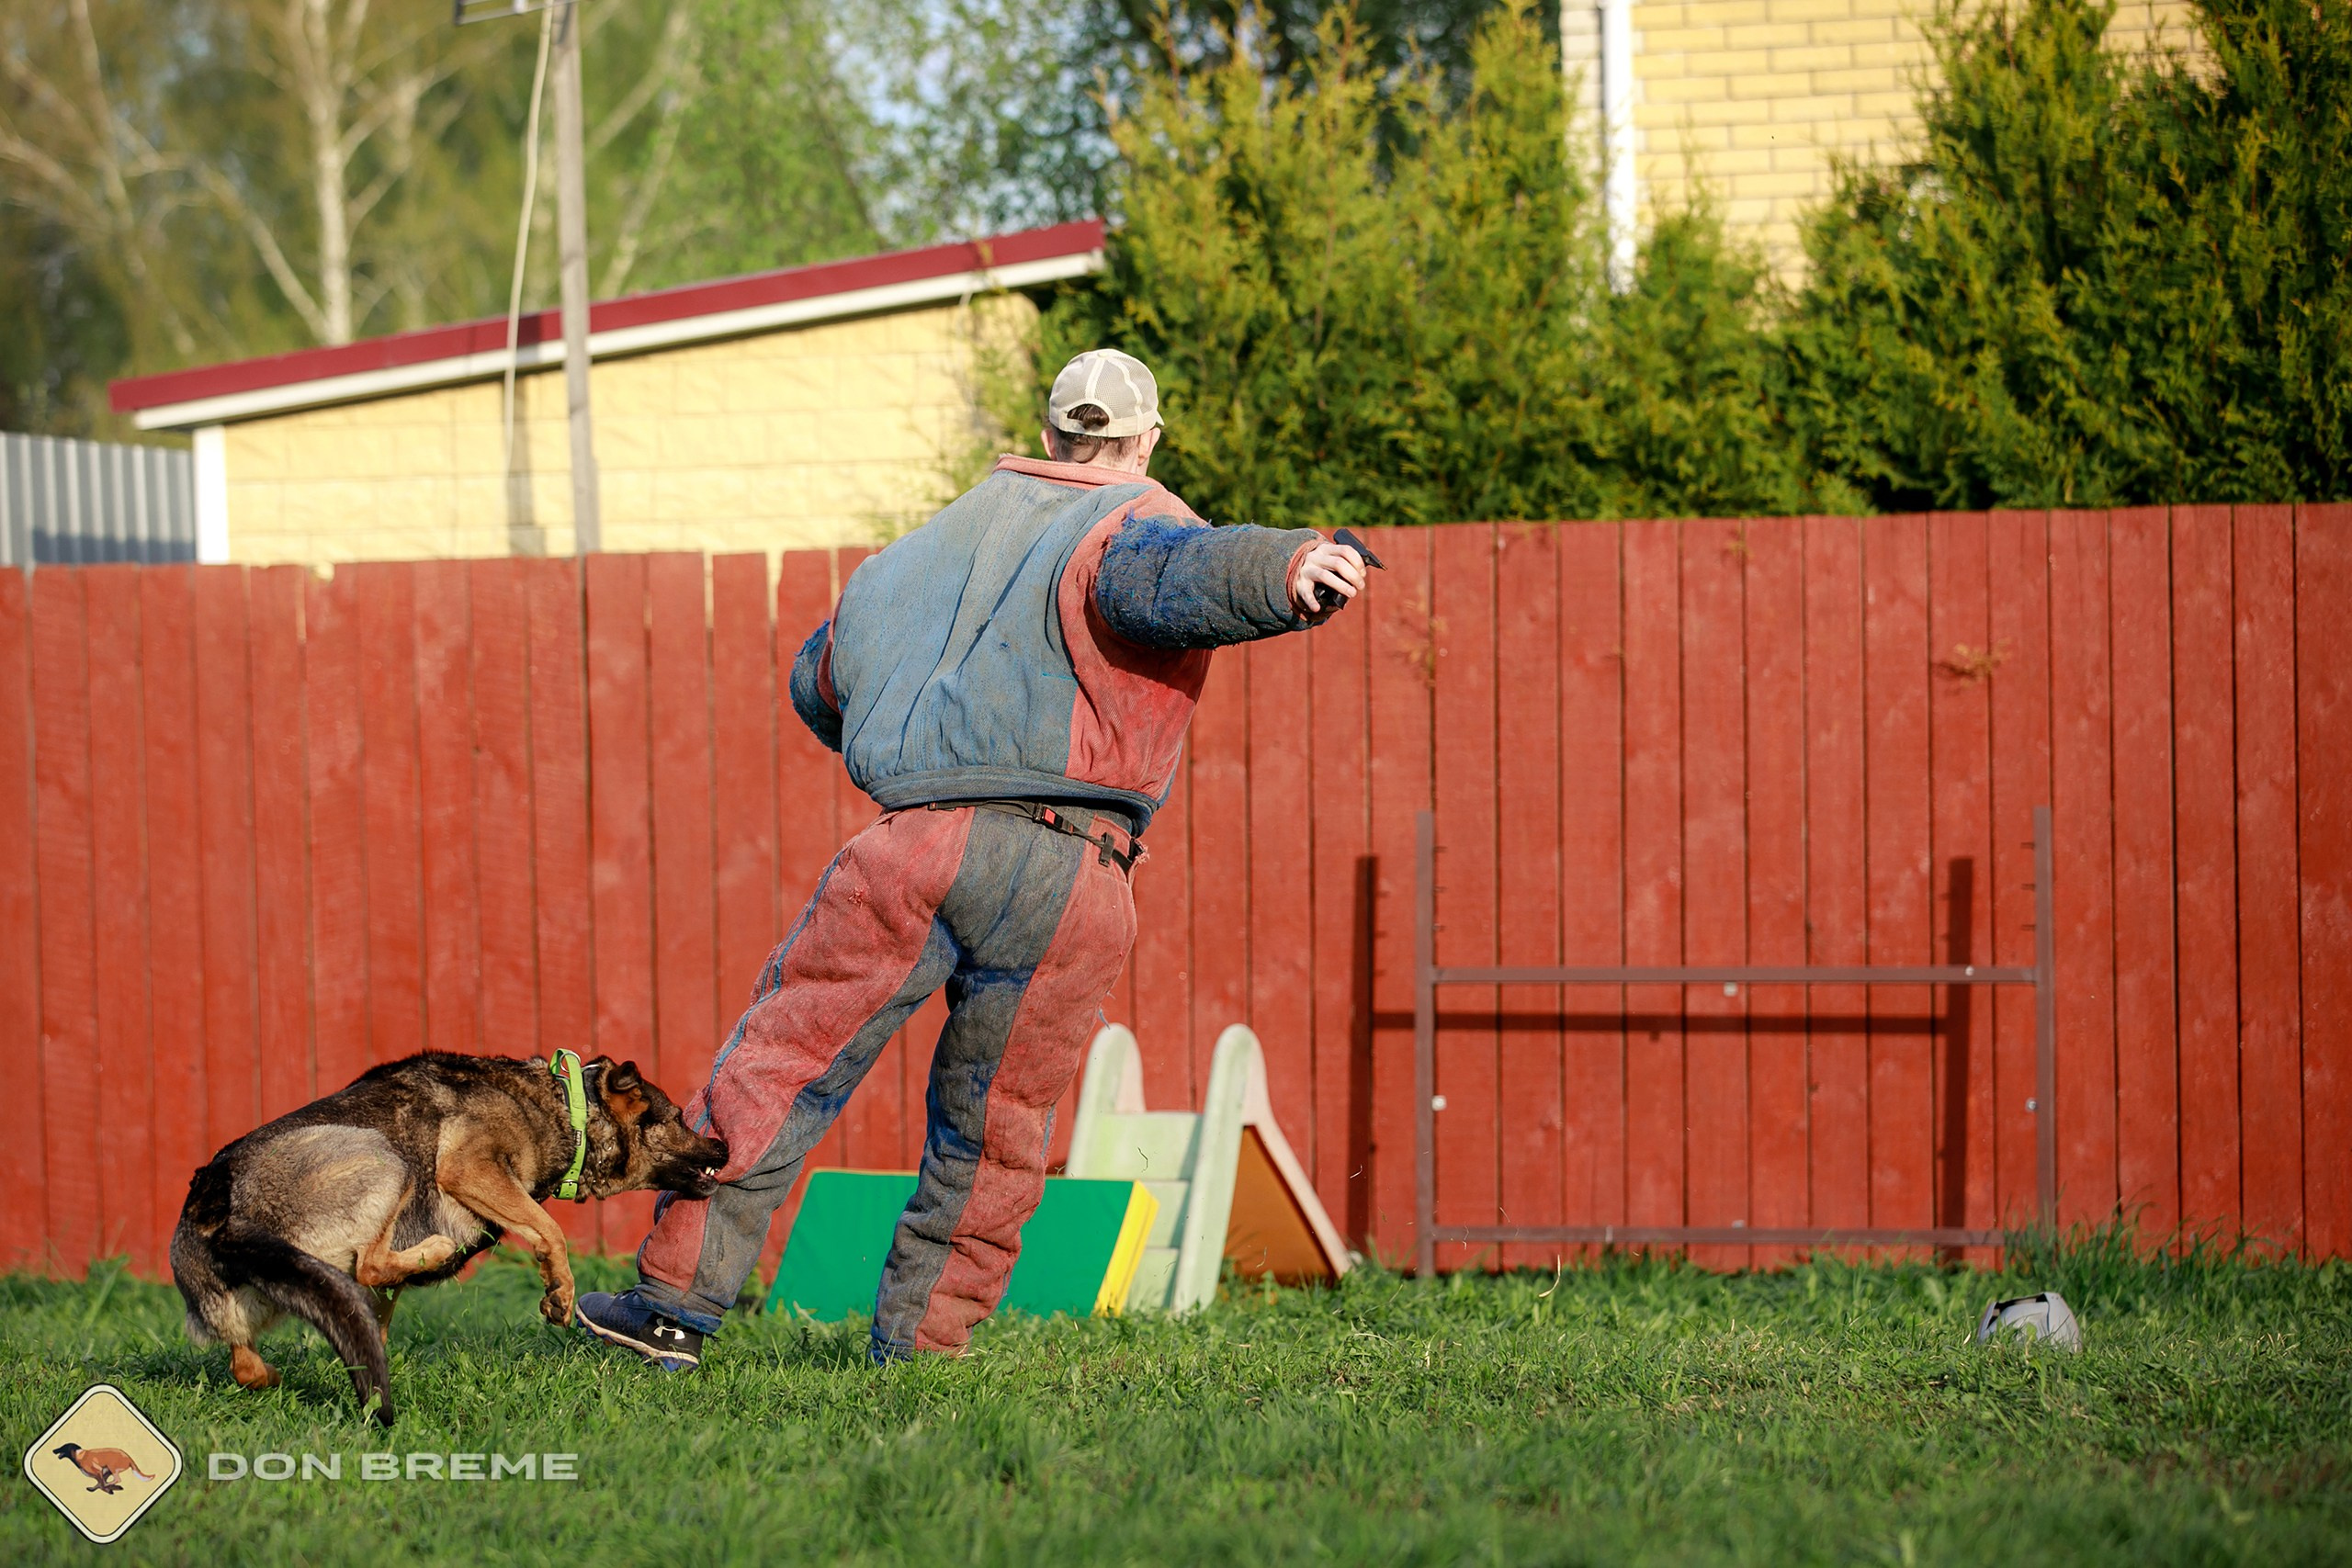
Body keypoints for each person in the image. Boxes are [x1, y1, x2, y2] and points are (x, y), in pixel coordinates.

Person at [574, 348, 1370, 1369]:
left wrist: (924, 746)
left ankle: (674, 1306)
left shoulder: (904, 560)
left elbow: (820, 679)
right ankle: (920, 1346)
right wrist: (1288, 567)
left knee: (780, 1068)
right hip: (1068, 870)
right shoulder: (1130, 524)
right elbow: (1172, 579)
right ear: (1146, 442)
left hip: (908, 845)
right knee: (994, 1127)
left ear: (1045, 438)